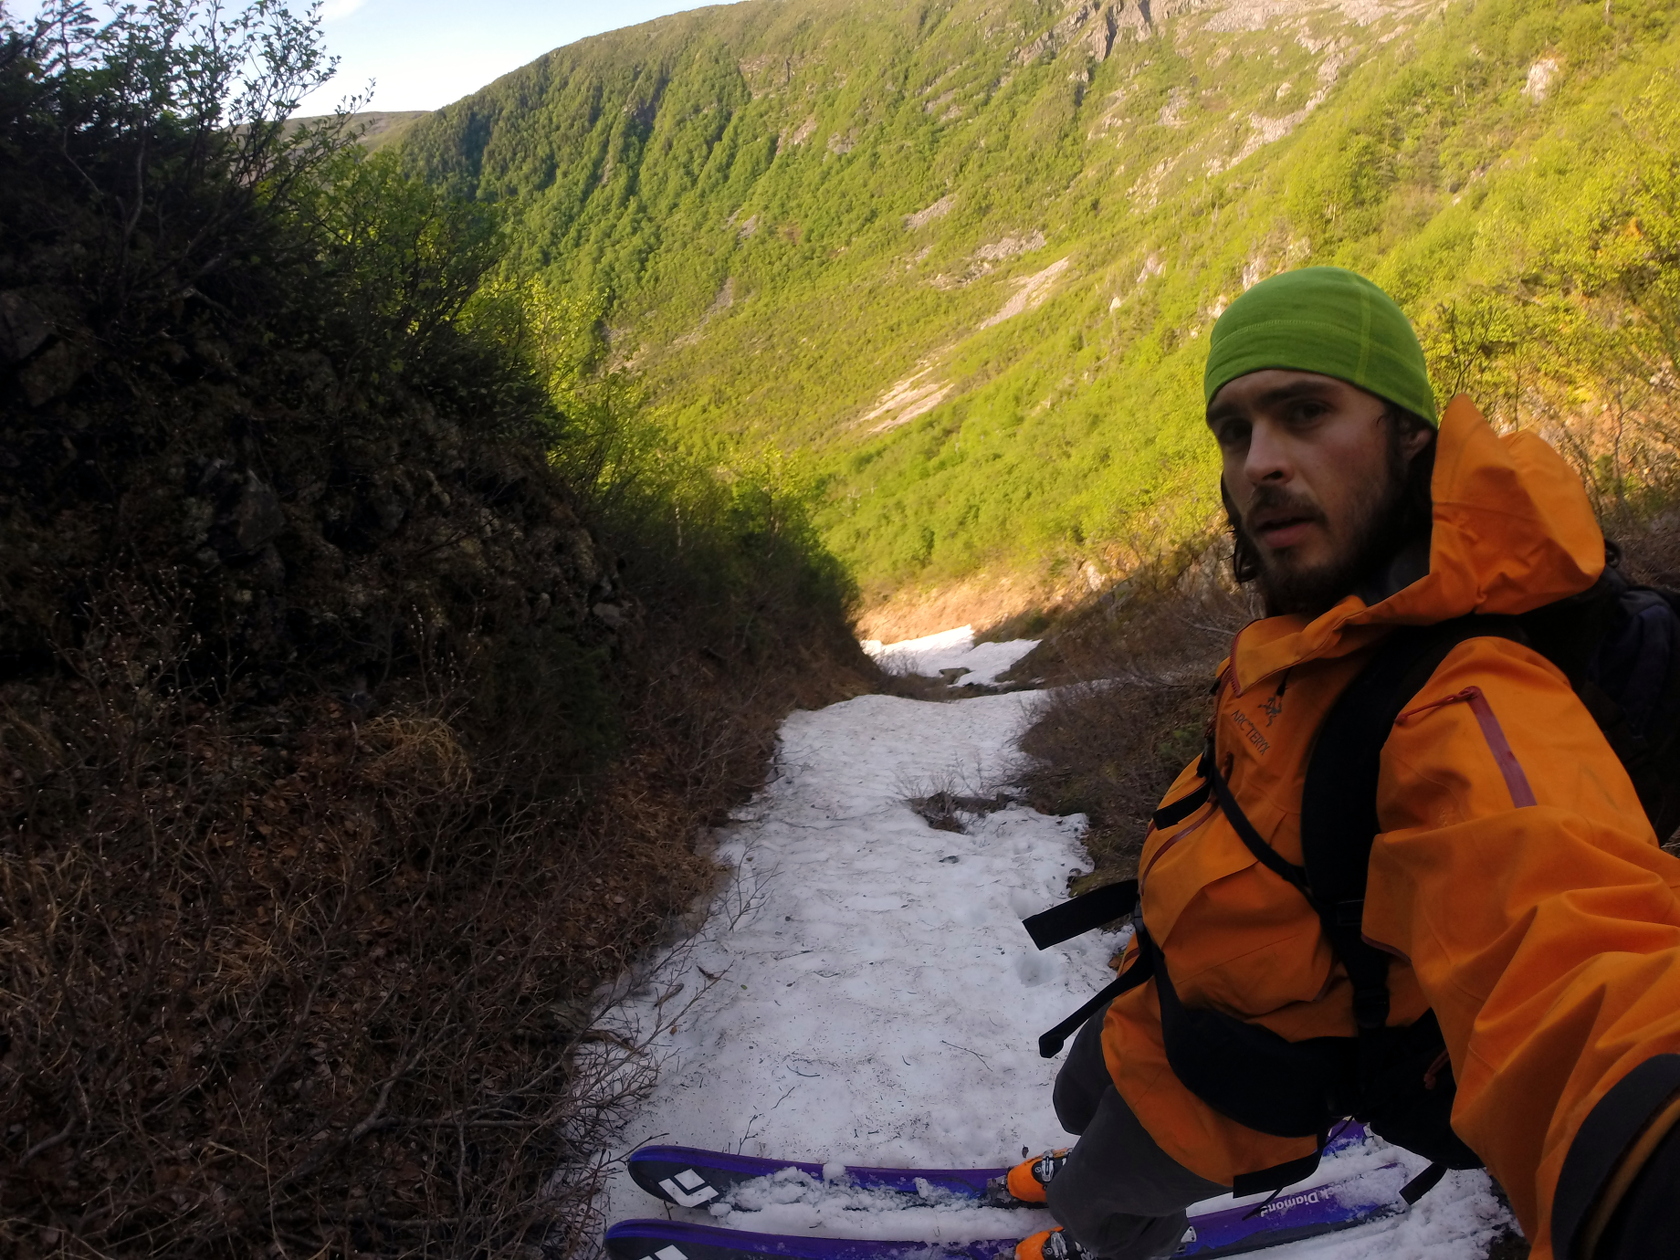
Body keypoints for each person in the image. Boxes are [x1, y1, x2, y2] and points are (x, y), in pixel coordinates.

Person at [1006, 267, 1680, 1260]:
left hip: (1233, 1081)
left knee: (1106, 1199)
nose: (1260, 464)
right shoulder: (1329, 610)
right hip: (1159, 995)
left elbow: (1570, 948)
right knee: (1078, 1096)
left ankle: (1095, 1235)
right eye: (1235, 432)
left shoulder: (1470, 694)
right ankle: (1093, 1169)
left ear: (1410, 434)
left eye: (1306, 412)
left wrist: (1643, 1167)